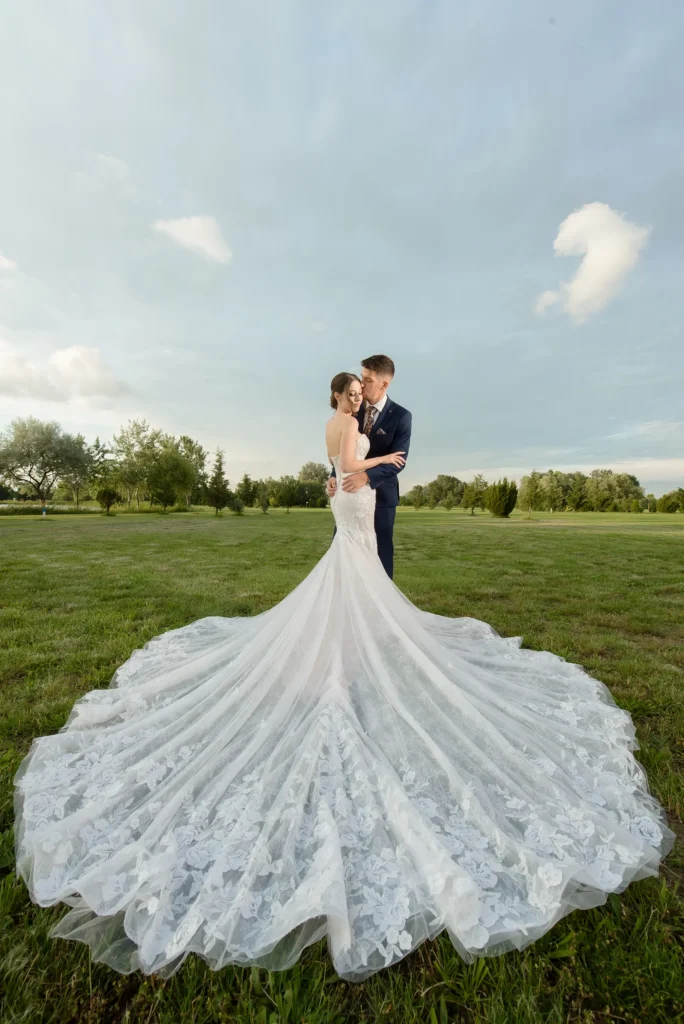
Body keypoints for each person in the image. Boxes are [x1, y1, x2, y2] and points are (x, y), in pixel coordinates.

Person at [14, 373, 672, 983]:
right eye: (354, 392)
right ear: (341, 397)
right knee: (357, 580)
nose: (361, 399)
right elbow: (353, 467)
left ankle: (344, 655)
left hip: (346, 508)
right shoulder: (348, 427)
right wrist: (381, 464)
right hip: (353, 502)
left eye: (363, 391)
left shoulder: (334, 426)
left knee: (354, 581)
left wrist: (352, 475)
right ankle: (342, 664)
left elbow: (337, 469)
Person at [326, 354, 411, 579]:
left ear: (385, 384)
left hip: (382, 496)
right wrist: (334, 475)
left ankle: (381, 612)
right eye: (361, 377)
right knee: (344, 552)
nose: (361, 384)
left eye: (368, 380)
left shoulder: (402, 417)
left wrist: (366, 476)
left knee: (380, 554)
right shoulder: (354, 408)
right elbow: (343, 449)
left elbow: (398, 460)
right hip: (349, 495)